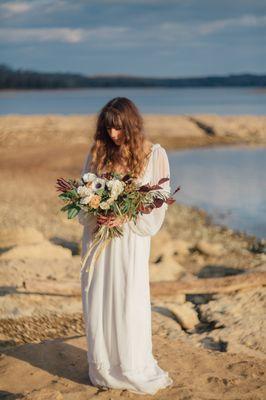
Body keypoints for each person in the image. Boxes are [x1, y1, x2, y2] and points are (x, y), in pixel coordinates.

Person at [78, 97, 173, 395]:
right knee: (99, 297)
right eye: (108, 128)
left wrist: (124, 217)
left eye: (118, 128)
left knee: (126, 297)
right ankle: (104, 366)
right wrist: (97, 210)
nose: (113, 135)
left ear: (131, 125)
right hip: (99, 239)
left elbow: (158, 199)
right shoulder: (98, 154)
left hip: (129, 242)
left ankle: (131, 366)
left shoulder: (153, 153)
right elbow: (84, 191)